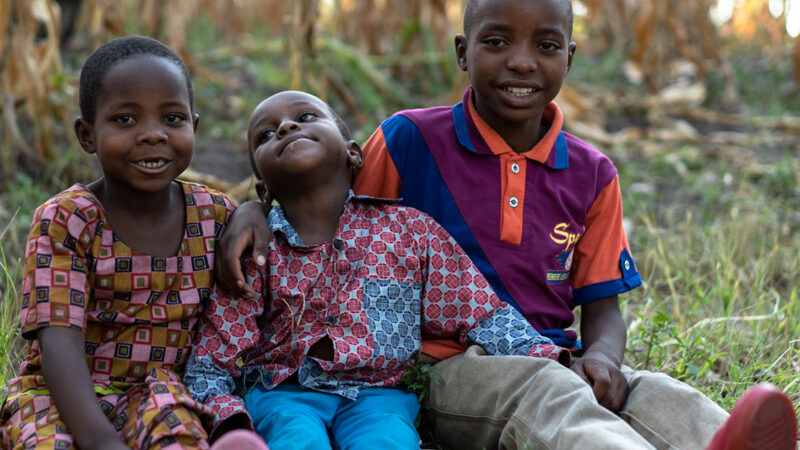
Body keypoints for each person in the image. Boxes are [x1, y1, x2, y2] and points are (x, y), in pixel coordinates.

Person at [215, 1, 799, 449]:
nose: (521, 61)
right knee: (545, 394)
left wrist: (602, 360)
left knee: (653, 391)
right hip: (450, 365)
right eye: (497, 42)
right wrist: (249, 210)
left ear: (569, 56)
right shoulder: (408, 139)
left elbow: (603, 306)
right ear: (463, 52)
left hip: (558, 352)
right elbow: (318, 201)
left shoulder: (593, 174)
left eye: (545, 45)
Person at [182, 90, 571, 450]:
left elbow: (479, 312)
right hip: (281, 391)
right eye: (266, 134)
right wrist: (228, 419)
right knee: (296, 438)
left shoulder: (411, 232)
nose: (285, 128)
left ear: (353, 154)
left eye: (305, 116)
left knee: (386, 442)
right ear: (263, 190)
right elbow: (214, 354)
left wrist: (548, 355)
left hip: (379, 395)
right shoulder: (257, 251)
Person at [0, 36, 266, 450]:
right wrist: (101, 441)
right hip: (63, 396)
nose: (152, 135)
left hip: (158, 394)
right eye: (125, 120)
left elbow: (269, 227)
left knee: (179, 436)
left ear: (193, 127)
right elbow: (59, 343)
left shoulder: (213, 214)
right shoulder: (68, 220)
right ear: (87, 135)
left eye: (172, 119)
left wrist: (252, 211)